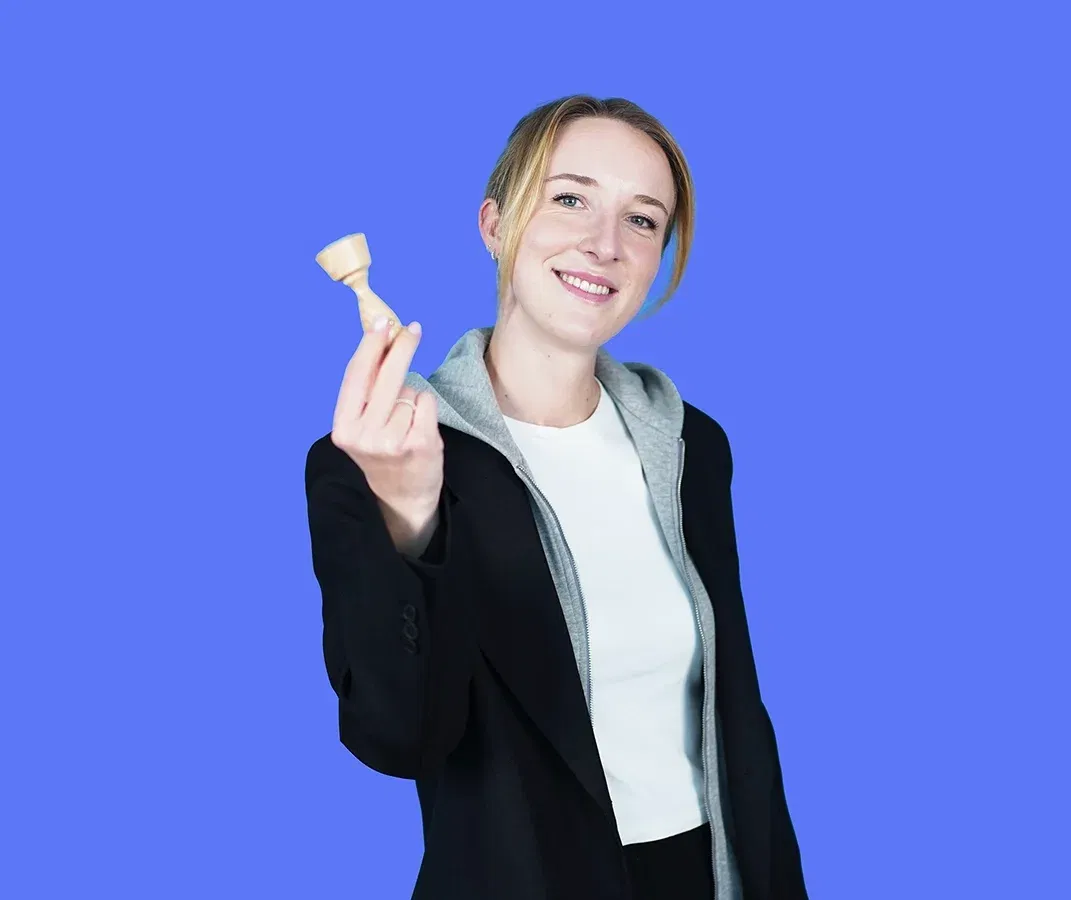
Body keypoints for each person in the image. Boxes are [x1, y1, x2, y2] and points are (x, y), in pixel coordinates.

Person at [304, 94, 809, 900]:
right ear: (494, 225)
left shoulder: (689, 445)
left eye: (642, 221)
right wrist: (406, 518)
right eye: (569, 198)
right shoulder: (380, 453)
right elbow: (398, 740)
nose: (604, 245)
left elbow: (737, 723)